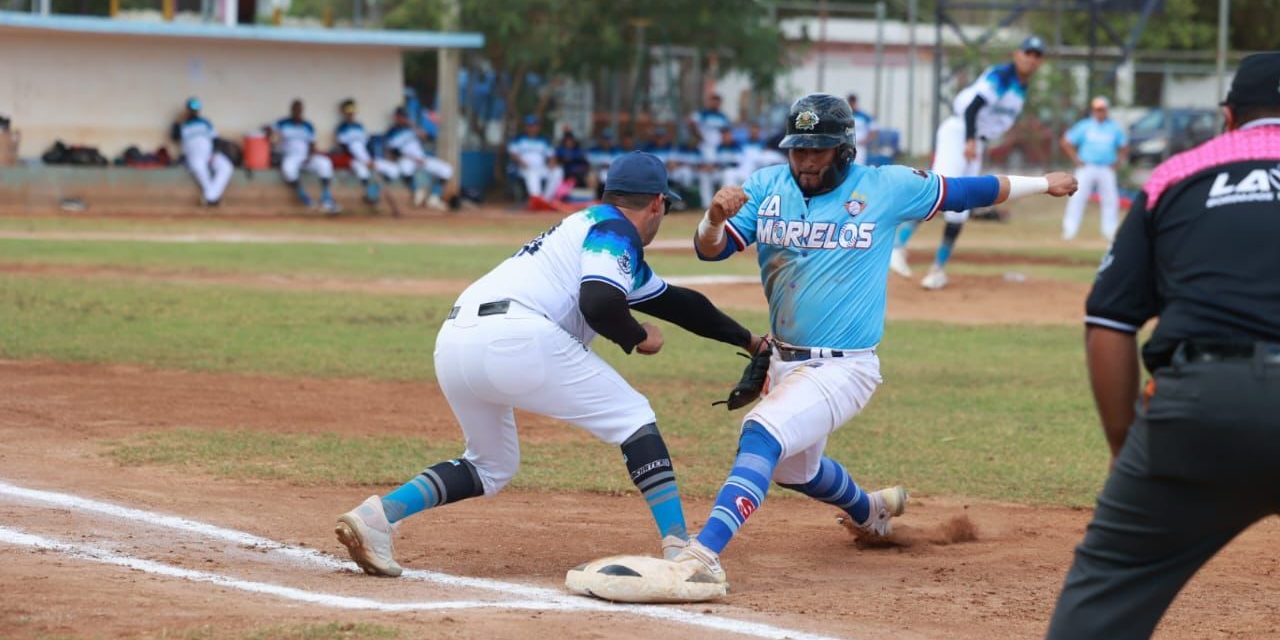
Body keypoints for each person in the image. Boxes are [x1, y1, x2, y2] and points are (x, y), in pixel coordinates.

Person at [673, 93, 1075, 590]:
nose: (805, 160)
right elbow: (710, 251)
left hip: (845, 367)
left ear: (844, 150)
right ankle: (870, 511)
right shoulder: (765, 187)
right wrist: (713, 218)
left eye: (817, 149)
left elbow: (966, 191)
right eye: (798, 149)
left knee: (761, 433)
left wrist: (1044, 184)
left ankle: (703, 555)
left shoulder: (885, 187)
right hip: (784, 362)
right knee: (794, 471)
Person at [334, 151, 767, 578]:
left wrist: (748, 340)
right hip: (515, 337)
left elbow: (679, 304)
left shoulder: (587, 228)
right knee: (633, 416)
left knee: (491, 465)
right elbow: (599, 302)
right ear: (657, 203)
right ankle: (679, 550)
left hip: (454, 340)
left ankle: (378, 516)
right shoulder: (614, 231)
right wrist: (637, 337)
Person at [1045, 51, 1280, 640]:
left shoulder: (1178, 173)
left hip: (1203, 405)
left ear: (1229, 116)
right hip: (1210, 400)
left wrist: (1126, 447)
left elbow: (1109, 319)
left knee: (1106, 595)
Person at [891, 35, 1046, 287]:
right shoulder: (1002, 75)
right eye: (1028, 53)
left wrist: (977, 141)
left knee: (962, 206)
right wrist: (970, 140)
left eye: (1037, 56)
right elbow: (973, 107)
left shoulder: (1022, 86)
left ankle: (938, 269)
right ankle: (897, 246)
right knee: (939, 191)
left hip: (975, 139)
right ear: (1018, 54)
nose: (1031, 59)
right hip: (961, 132)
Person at [1059, 96, 1128, 241]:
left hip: (1106, 168)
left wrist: (1118, 162)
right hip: (1087, 167)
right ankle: (1069, 230)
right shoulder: (1085, 126)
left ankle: (1110, 231)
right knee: (1077, 197)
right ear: (1093, 110)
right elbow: (1066, 141)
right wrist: (1075, 158)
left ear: (1106, 110)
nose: (1099, 112)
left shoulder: (1113, 127)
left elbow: (1124, 145)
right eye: (1097, 109)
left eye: (1102, 109)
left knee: (1110, 199)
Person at [269, 99, 339, 213]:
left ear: (302, 111)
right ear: (292, 110)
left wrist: (310, 156)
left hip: (305, 156)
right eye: (295, 109)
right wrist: (271, 135)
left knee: (325, 163)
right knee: (288, 169)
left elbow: (312, 144)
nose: (297, 112)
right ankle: (303, 195)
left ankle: (326, 197)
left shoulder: (308, 125)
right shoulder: (282, 123)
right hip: (290, 155)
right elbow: (270, 131)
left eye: (299, 110)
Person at [385, 107, 456, 210]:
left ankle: (434, 198)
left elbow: (428, 137)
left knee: (447, 169)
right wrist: (413, 158)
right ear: (396, 117)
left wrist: (415, 126)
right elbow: (393, 152)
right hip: (407, 159)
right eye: (401, 116)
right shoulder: (392, 132)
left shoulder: (412, 128)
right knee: (405, 168)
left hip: (421, 158)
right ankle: (416, 193)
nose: (403, 118)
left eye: (405, 116)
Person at [171, 97, 233, 207]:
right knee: (199, 168)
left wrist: (214, 153)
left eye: (195, 109)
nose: (194, 112)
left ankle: (209, 197)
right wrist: (178, 122)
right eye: (191, 109)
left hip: (209, 154)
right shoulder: (182, 124)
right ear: (187, 110)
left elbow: (215, 139)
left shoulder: (205, 122)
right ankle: (213, 198)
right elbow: (174, 137)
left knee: (226, 167)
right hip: (194, 155)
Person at [335, 99, 398, 205]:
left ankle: (374, 192)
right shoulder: (342, 128)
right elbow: (348, 147)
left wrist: (370, 160)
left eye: (352, 112)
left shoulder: (359, 126)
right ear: (344, 113)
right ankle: (370, 196)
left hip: (368, 158)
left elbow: (366, 144)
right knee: (363, 172)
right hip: (354, 159)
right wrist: (365, 161)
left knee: (393, 169)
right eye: (348, 112)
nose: (351, 115)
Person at [508, 115, 563, 203]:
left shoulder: (544, 140)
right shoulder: (518, 139)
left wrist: (551, 163)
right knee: (532, 173)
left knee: (558, 171)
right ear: (526, 127)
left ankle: (546, 199)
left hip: (541, 168)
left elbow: (551, 156)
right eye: (530, 126)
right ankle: (536, 198)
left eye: (534, 125)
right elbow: (513, 154)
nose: (532, 128)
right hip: (524, 168)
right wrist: (522, 162)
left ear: (538, 127)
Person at [689, 94, 732, 206]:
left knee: (723, 175)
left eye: (717, 102)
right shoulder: (702, 114)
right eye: (713, 101)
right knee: (705, 174)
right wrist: (699, 136)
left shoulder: (722, 116)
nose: (715, 104)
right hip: (705, 147)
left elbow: (727, 132)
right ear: (708, 102)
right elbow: (691, 123)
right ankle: (706, 204)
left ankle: (723, 203)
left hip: (718, 149)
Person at [846, 93, 876, 166]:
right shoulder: (844, 115)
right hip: (847, 145)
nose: (852, 104)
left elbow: (874, 130)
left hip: (860, 146)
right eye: (850, 102)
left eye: (853, 102)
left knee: (859, 165)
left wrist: (867, 140)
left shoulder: (864, 116)